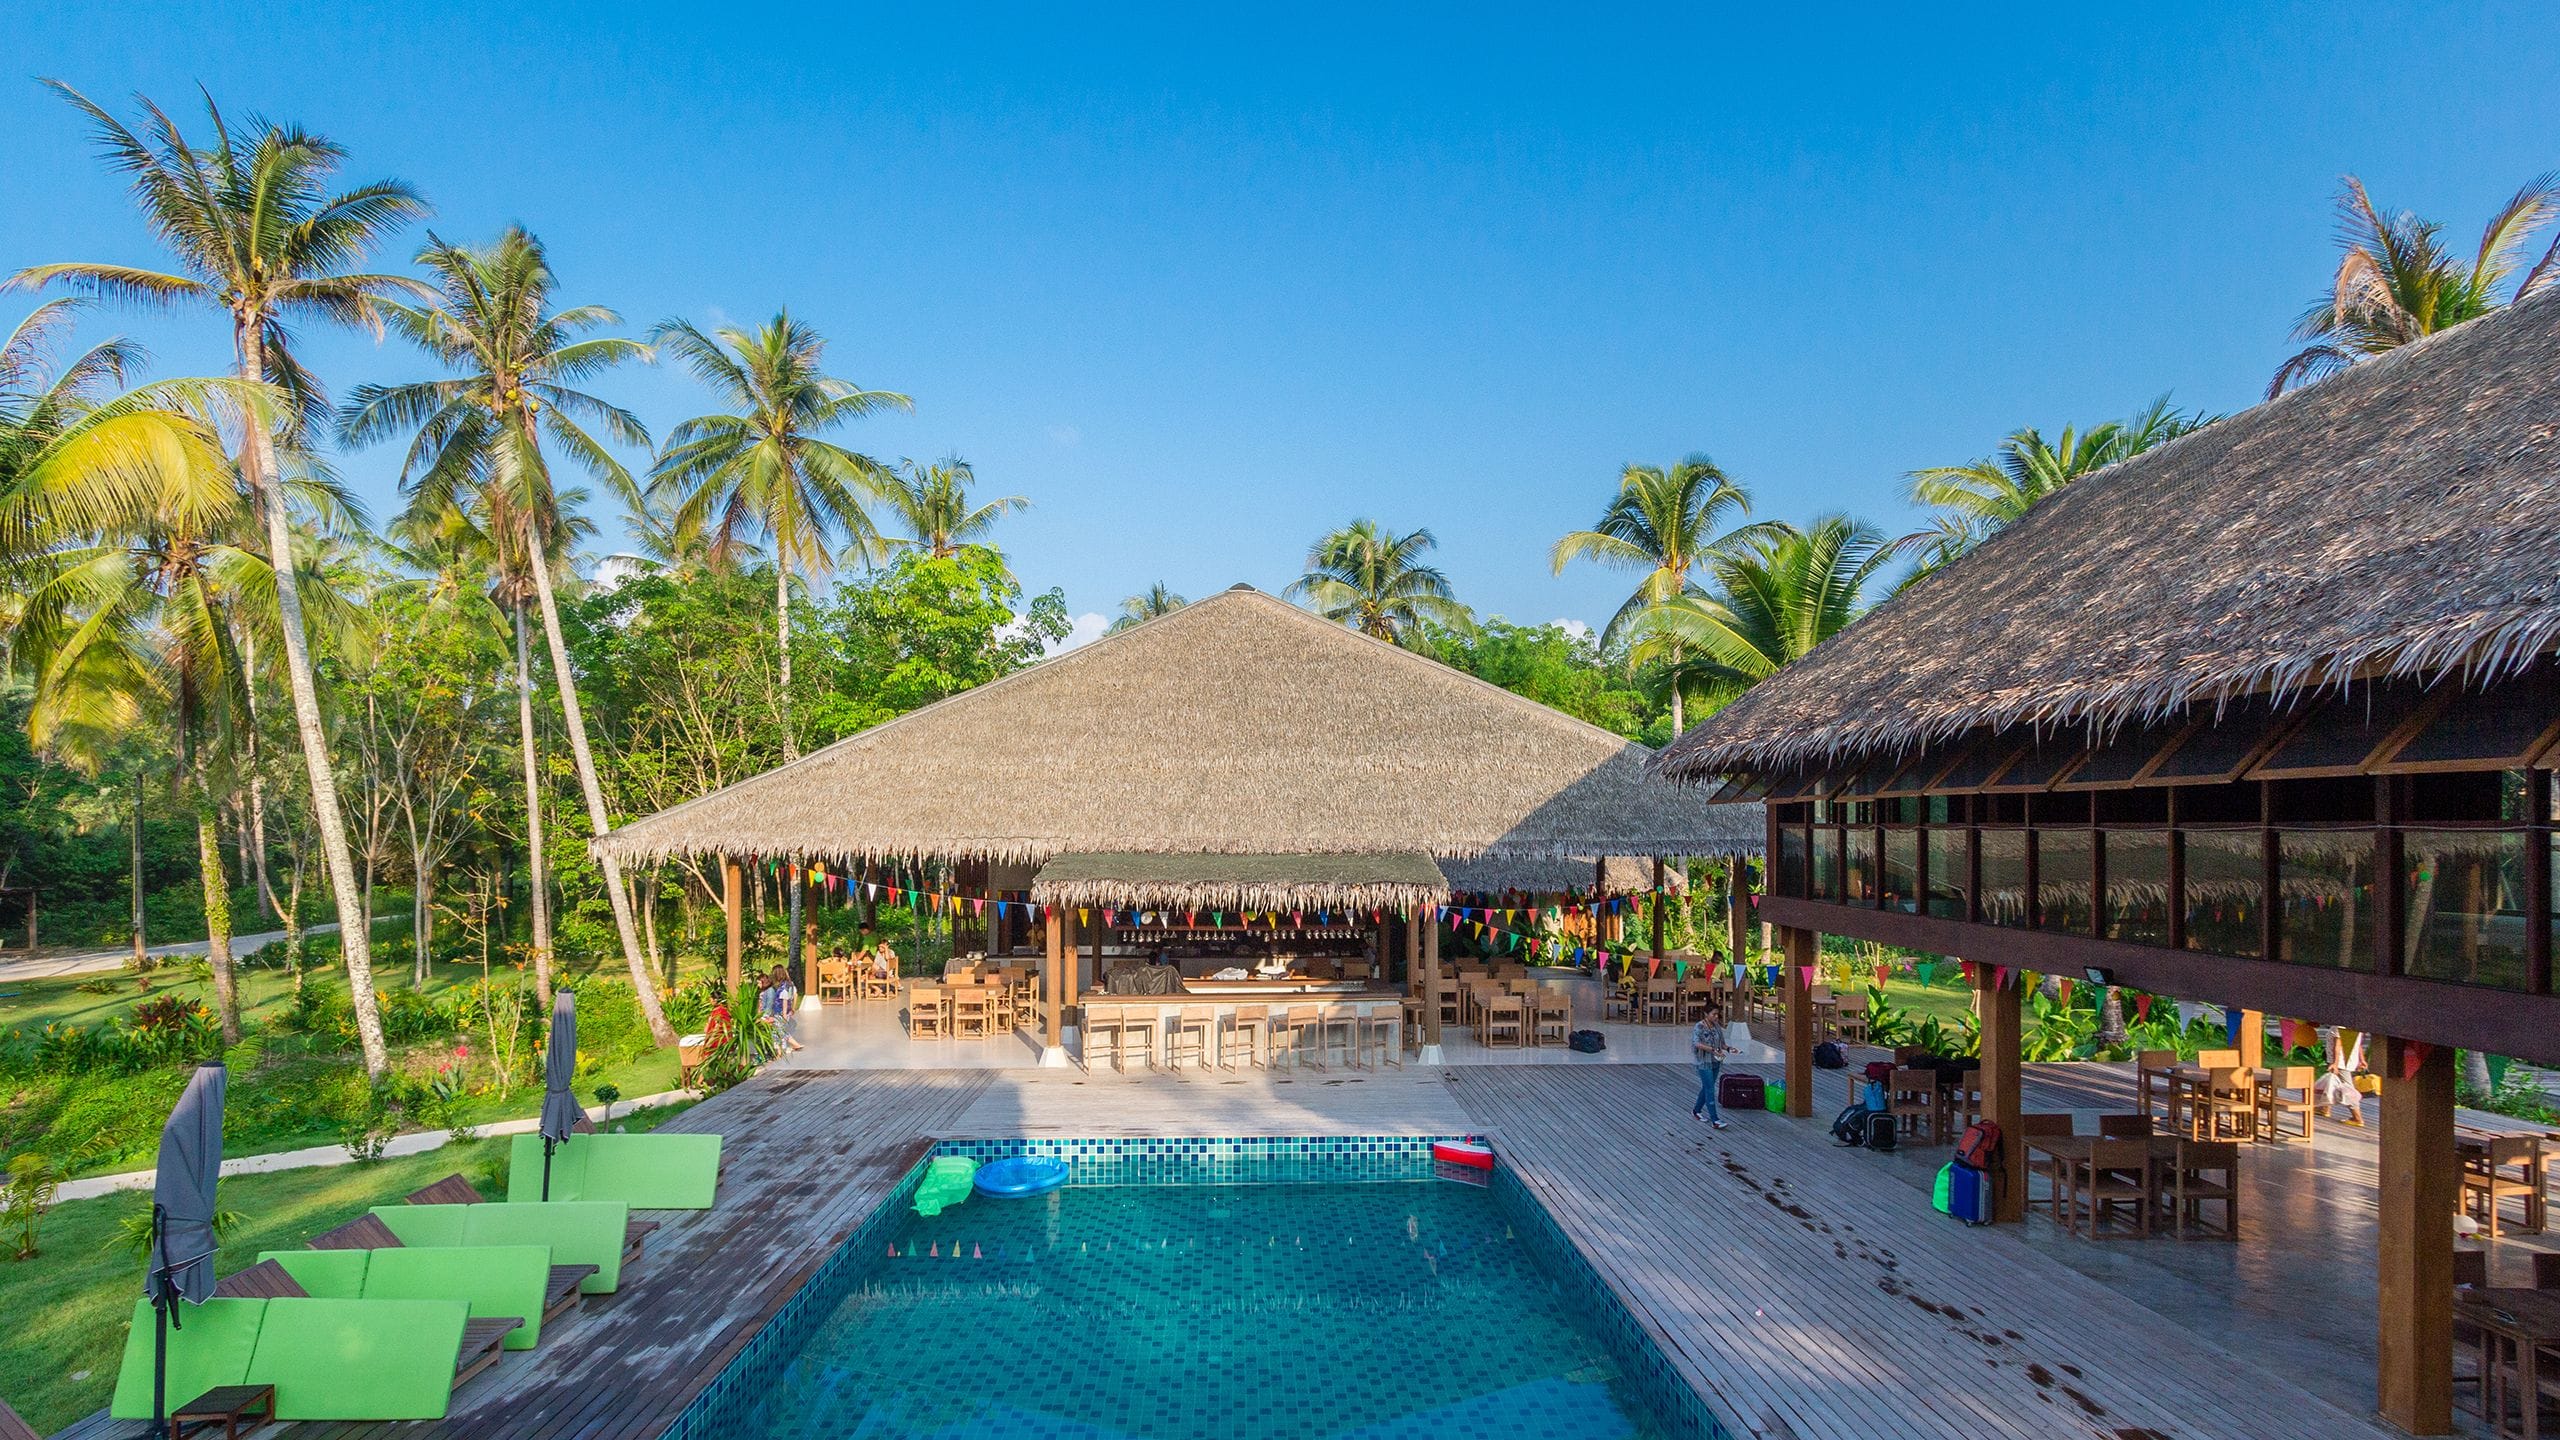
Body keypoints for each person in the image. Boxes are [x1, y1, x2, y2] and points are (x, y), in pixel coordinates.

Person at [1692, 1001, 1730, 1128]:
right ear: (1706, 1014)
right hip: (1703, 1061)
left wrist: (1729, 1049)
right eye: (1713, 1014)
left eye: (1717, 1015)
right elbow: (1696, 1043)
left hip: (1715, 1061)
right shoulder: (1699, 1027)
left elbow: (1722, 1043)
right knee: (1710, 1089)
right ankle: (1715, 1119)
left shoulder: (1717, 1026)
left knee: (1707, 1086)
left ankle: (1696, 1110)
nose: (1716, 1017)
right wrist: (1712, 1049)